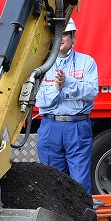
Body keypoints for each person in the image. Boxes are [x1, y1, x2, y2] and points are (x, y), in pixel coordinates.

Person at [36, 19, 99, 194]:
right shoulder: (40, 65)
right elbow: (39, 100)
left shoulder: (86, 62)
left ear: (73, 37)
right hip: (50, 127)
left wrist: (68, 83)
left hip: (77, 127)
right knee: (51, 182)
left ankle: (82, 220)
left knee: (79, 182)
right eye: (57, 34)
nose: (61, 38)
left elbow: (92, 91)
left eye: (64, 34)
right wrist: (57, 88)